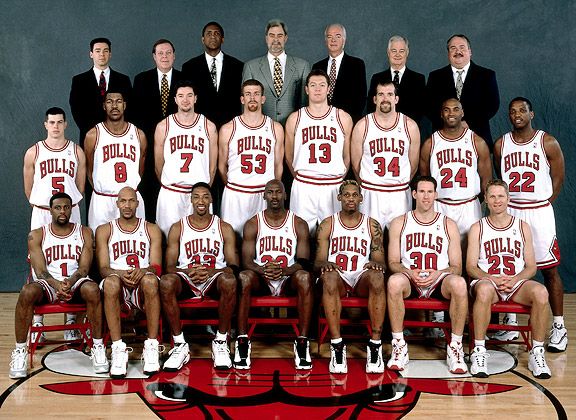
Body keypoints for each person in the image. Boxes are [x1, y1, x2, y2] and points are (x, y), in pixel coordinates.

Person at [493, 97, 567, 352]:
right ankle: (510, 322)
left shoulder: (547, 142)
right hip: (512, 211)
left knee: (549, 270)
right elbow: (500, 178)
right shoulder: (501, 144)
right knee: (509, 265)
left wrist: (543, 203)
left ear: (531, 113)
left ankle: (559, 326)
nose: (517, 115)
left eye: (522, 110)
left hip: (538, 211)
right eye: (512, 111)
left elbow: (558, 178)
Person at [9, 193, 107, 379]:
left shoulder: (84, 231)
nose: (62, 211)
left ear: (72, 209)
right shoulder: (37, 235)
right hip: (49, 284)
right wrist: (56, 284)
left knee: (93, 289)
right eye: (58, 207)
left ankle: (98, 346)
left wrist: (70, 282)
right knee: (27, 291)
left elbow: (84, 268)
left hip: (75, 281)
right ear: (50, 210)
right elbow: (40, 270)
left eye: (66, 207)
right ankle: (20, 351)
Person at [467, 179, 552, 379]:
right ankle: (479, 351)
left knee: (541, 292)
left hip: (516, 282)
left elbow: (531, 266)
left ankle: (537, 353)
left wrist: (515, 279)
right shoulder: (478, 228)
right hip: (488, 282)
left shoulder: (522, 226)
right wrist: (491, 279)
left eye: (501, 196)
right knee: (485, 290)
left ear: (508, 199)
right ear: (486, 200)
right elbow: (471, 266)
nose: (497, 201)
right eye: (493, 196)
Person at [386, 176, 468, 374]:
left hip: (439, 280)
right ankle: (399, 345)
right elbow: (392, 262)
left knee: (459, 284)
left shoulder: (448, 224)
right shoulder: (399, 222)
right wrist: (408, 272)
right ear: (414, 194)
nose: (426, 196)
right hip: (410, 279)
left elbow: (456, 267)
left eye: (430, 192)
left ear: (436, 195)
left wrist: (440, 272)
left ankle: (455, 347)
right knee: (394, 282)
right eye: (421, 192)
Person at [159, 182, 239, 371]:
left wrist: (213, 272)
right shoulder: (178, 227)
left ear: (211, 199)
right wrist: (187, 272)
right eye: (196, 197)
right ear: (191, 200)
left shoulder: (224, 228)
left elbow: (233, 266)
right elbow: (169, 267)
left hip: (214, 278)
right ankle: (180, 344)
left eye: (205, 196)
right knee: (166, 282)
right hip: (187, 277)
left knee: (230, 281)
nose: (201, 201)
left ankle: (220, 341)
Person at [23, 107, 87, 341]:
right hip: (42, 210)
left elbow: (79, 187)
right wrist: (42, 205)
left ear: (66, 124)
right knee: (38, 261)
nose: (56, 126)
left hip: (70, 212)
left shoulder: (76, 151)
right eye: (52, 122)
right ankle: (37, 323)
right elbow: (28, 187)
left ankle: (71, 320)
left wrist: (66, 207)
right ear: (45, 124)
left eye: (60, 122)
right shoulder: (34, 152)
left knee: (72, 258)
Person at [238, 180, 313, 370]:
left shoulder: (299, 223)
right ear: (264, 196)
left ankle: (302, 342)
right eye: (270, 192)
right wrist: (262, 270)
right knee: (244, 277)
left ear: (285, 195)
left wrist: (285, 271)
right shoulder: (253, 223)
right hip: (262, 278)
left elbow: (304, 261)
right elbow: (246, 261)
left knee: (305, 277)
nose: (274, 196)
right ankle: (242, 342)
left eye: (278, 192)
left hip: (287, 278)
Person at [315, 180, 386, 374]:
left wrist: (376, 264)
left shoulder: (372, 225)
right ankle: (337, 345)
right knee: (328, 277)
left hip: (360, 276)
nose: (351, 199)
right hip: (337, 277)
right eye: (346, 195)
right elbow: (318, 262)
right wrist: (325, 265)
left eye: (355, 195)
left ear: (361, 198)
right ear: (339, 198)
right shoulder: (328, 224)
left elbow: (381, 261)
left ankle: (375, 345)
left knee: (378, 277)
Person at [95, 187, 163, 378]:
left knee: (151, 281)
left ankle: (151, 347)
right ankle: (118, 349)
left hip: (143, 282)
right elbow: (103, 269)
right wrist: (119, 273)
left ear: (137, 204)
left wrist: (144, 271)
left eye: (131, 201)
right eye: (123, 201)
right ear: (117, 204)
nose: (127, 205)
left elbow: (157, 267)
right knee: (110, 283)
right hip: (117, 281)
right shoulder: (105, 230)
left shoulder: (151, 229)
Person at [285, 69, 353, 234]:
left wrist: (335, 177)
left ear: (328, 88)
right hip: (304, 185)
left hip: (332, 185)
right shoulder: (295, 118)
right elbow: (289, 156)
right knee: (300, 236)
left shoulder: (342, 117)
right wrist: (303, 178)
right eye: (313, 85)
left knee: (333, 235)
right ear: (306, 89)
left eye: (322, 85)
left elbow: (347, 156)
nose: (317, 89)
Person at [351, 80, 420, 230]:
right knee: (370, 241)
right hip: (371, 192)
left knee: (400, 242)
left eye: (389, 94)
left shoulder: (410, 126)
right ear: (374, 99)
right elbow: (356, 164)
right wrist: (368, 184)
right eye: (381, 94)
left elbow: (413, 165)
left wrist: (398, 182)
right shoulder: (363, 125)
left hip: (399, 193)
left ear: (396, 98)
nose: (385, 98)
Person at [218, 79, 284, 235]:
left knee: (264, 240)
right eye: (248, 94)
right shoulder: (228, 128)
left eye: (256, 94)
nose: (252, 98)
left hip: (263, 194)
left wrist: (272, 191)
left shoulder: (275, 128)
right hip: (236, 194)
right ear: (242, 99)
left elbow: (278, 165)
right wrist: (234, 187)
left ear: (263, 98)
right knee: (232, 241)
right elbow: (221, 166)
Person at [420, 98, 492, 239]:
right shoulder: (430, 143)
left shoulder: (477, 142)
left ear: (462, 113)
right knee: (441, 253)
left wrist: (479, 202)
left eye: (456, 109)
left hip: (469, 205)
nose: (451, 113)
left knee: (471, 252)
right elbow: (424, 179)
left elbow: (486, 179)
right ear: (441, 114)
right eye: (446, 110)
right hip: (440, 205)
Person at [154, 81, 218, 237]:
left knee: (200, 240)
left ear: (195, 98)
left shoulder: (209, 126)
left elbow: (212, 167)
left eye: (189, 95)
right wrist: (170, 184)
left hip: (198, 194)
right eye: (181, 96)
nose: (185, 100)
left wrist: (202, 190)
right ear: (175, 99)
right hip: (172, 193)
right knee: (168, 239)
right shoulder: (164, 126)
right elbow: (158, 165)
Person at [132, 39, 183, 223]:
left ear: (174, 56)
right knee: (149, 190)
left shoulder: (184, 80)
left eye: (168, 53)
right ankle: (151, 232)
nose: (164, 56)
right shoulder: (141, 80)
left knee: (174, 193)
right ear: (154, 56)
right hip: (149, 144)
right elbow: (135, 115)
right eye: (160, 53)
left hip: (177, 146)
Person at [84, 91, 147, 232]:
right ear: (104, 106)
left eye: (118, 101)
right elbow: (89, 170)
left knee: (134, 245)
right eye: (109, 101)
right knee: (99, 247)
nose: (114, 105)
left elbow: (140, 167)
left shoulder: (139, 135)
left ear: (124, 105)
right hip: (103, 199)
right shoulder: (92, 135)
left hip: (130, 199)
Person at [426, 34, 499, 149]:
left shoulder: (486, 75)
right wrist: (450, 126)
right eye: (453, 48)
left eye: (462, 47)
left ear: (470, 51)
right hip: (443, 138)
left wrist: (468, 123)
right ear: (448, 54)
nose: (457, 51)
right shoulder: (435, 77)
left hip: (477, 137)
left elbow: (492, 105)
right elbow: (429, 107)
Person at [242, 19, 311, 125]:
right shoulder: (251, 67)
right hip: (260, 130)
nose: (275, 39)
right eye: (271, 35)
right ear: (266, 38)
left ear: (286, 38)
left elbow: (305, 103)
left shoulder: (302, 66)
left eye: (280, 35)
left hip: (293, 128)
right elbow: (246, 105)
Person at [69, 37, 132, 147]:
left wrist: (117, 131)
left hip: (118, 138)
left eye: (105, 51)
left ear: (110, 54)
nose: (102, 54)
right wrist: (95, 132)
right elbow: (77, 110)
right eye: (98, 51)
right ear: (91, 54)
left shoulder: (123, 80)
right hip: (90, 137)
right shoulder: (79, 81)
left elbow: (130, 108)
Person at [181, 22, 244, 129]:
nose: (213, 36)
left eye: (217, 33)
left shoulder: (238, 66)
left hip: (231, 126)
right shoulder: (189, 67)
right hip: (199, 126)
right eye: (209, 34)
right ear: (203, 39)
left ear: (223, 39)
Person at [312, 23, 366, 123]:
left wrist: (347, 122)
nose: (333, 40)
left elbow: (361, 98)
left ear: (344, 40)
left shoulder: (357, 65)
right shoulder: (317, 66)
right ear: (325, 41)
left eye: (338, 36)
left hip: (348, 122)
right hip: (322, 123)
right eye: (329, 37)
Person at [367, 35, 426, 124]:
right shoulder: (377, 78)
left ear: (407, 53)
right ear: (388, 53)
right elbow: (371, 107)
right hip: (381, 128)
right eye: (394, 51)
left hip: (408, 129)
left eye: (401, 51)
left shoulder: (418, 79)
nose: (397, 54)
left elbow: (420, 110)